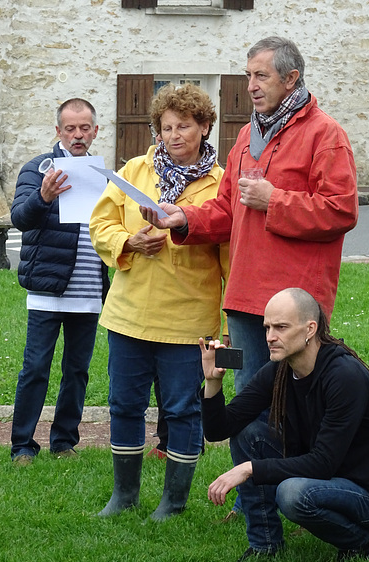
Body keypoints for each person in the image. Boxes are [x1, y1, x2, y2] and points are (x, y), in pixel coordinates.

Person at [141, 36, 358, 517]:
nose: (251, 85)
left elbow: (341, 210)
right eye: (248, 75)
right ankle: (252, 500)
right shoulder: (247, 136)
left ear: (291, 79)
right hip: (243, 297)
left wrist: (274, 200)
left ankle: (302, 498)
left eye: (261, 75)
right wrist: (184, 219)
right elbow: (225, 210)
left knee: (297, 407)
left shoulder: (326, 134)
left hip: (294, 302)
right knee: (248, 404)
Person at [89, 83, 228, 521]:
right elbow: (100, 225)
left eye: (184, 125)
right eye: (166, 127)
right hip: (128, 314)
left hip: (189, 320)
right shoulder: (134, 171)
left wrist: (225, 327)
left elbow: (232, 260)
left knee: (182, 410)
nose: (173, 135)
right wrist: (128, 242)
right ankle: (124, 496)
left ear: (205, 127)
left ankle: (174, 502)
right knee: (124, 404)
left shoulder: (220, 185)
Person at [200, 288, 369, 562]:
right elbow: (218, 430)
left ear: (310, 329)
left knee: (292, 493)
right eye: (267, 327)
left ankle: (366, 543)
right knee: (248, 435)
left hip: (367, 495)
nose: (270, 336)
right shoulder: (280, 370)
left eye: (281, 327)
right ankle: (264, 546)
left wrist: (249, 469)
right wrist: (213, 383)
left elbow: (322, 464)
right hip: (324, 478)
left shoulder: (344, 376)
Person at [10, 98, 109, 465]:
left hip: (88, 289)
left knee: (77, 370)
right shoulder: (38, 168)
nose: (78, 135)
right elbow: (20, 217)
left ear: (96, 131)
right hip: (47, 290)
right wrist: (43, 197)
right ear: (58, 131)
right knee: (36, 367)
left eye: (85, 128)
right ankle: (22, 445)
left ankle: (64, 441)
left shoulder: (103, 174)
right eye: (70, 128)